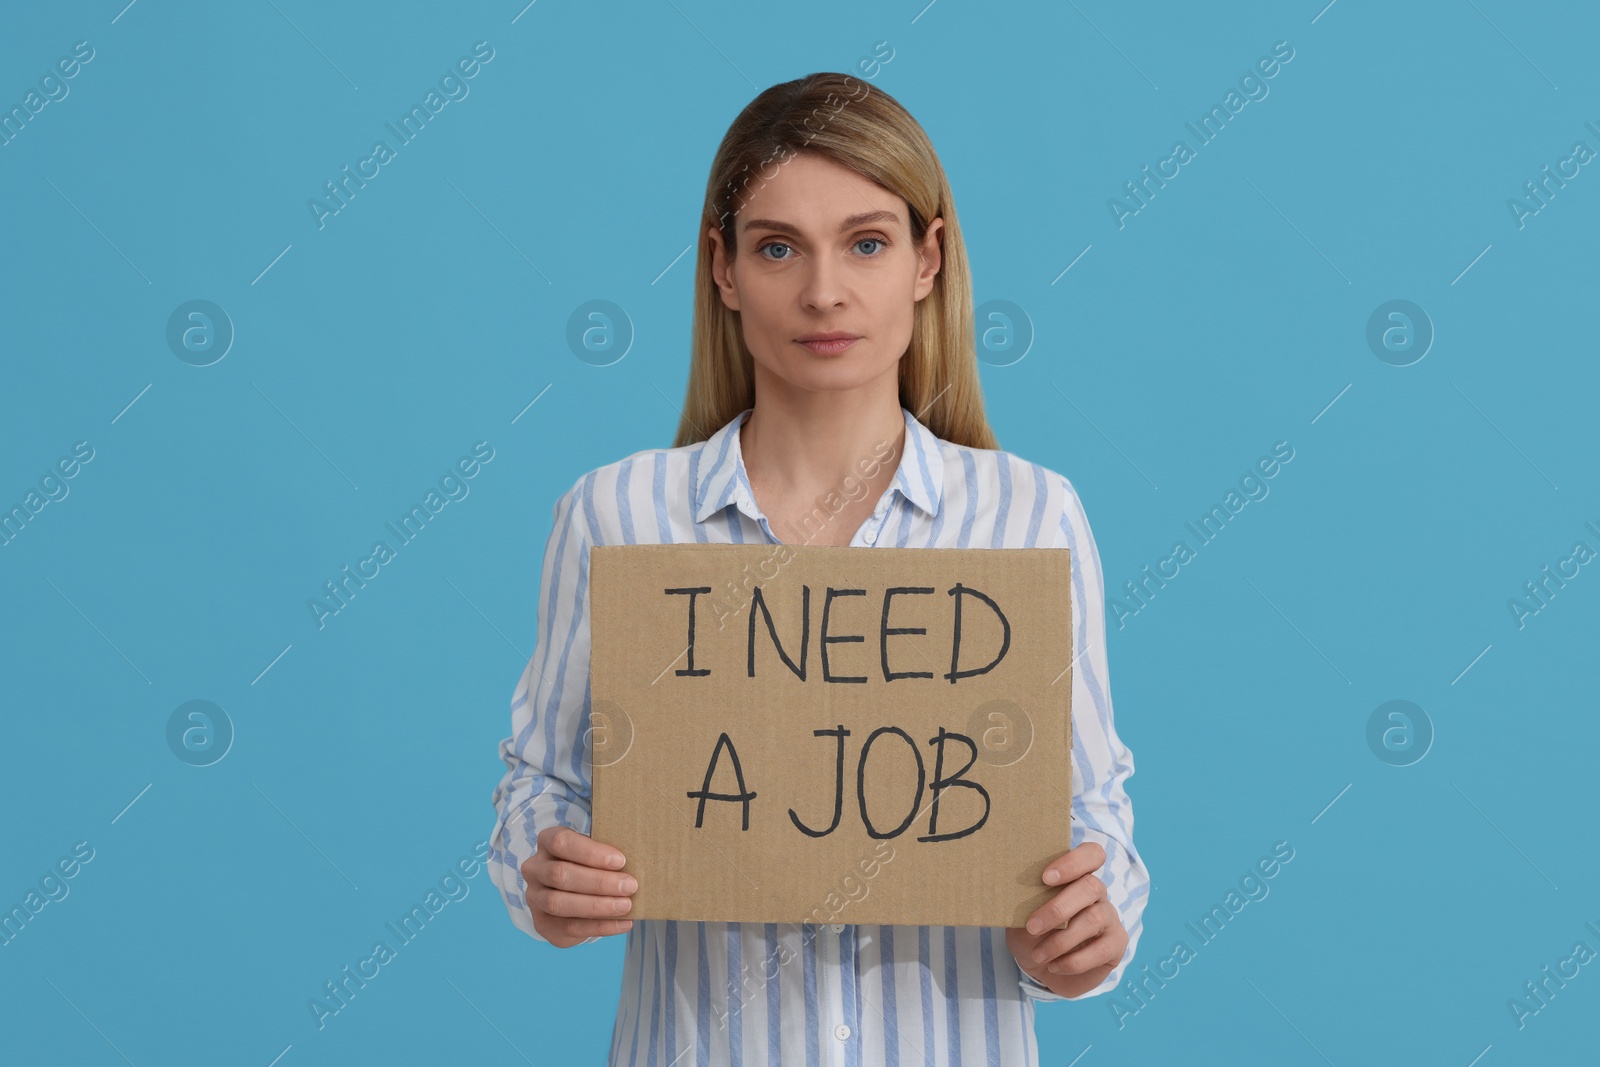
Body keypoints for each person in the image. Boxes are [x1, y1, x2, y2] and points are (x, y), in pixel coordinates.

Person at [488, 70, 1150, 1066]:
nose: (823, 290)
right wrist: (544, 872)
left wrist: (1086, 932)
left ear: (928, 260)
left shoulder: (1030, 516)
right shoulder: (617, 516)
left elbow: (1093, 809)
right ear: (721, 267)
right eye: (777, 247)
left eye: (867, 242)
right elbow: (538, 784)